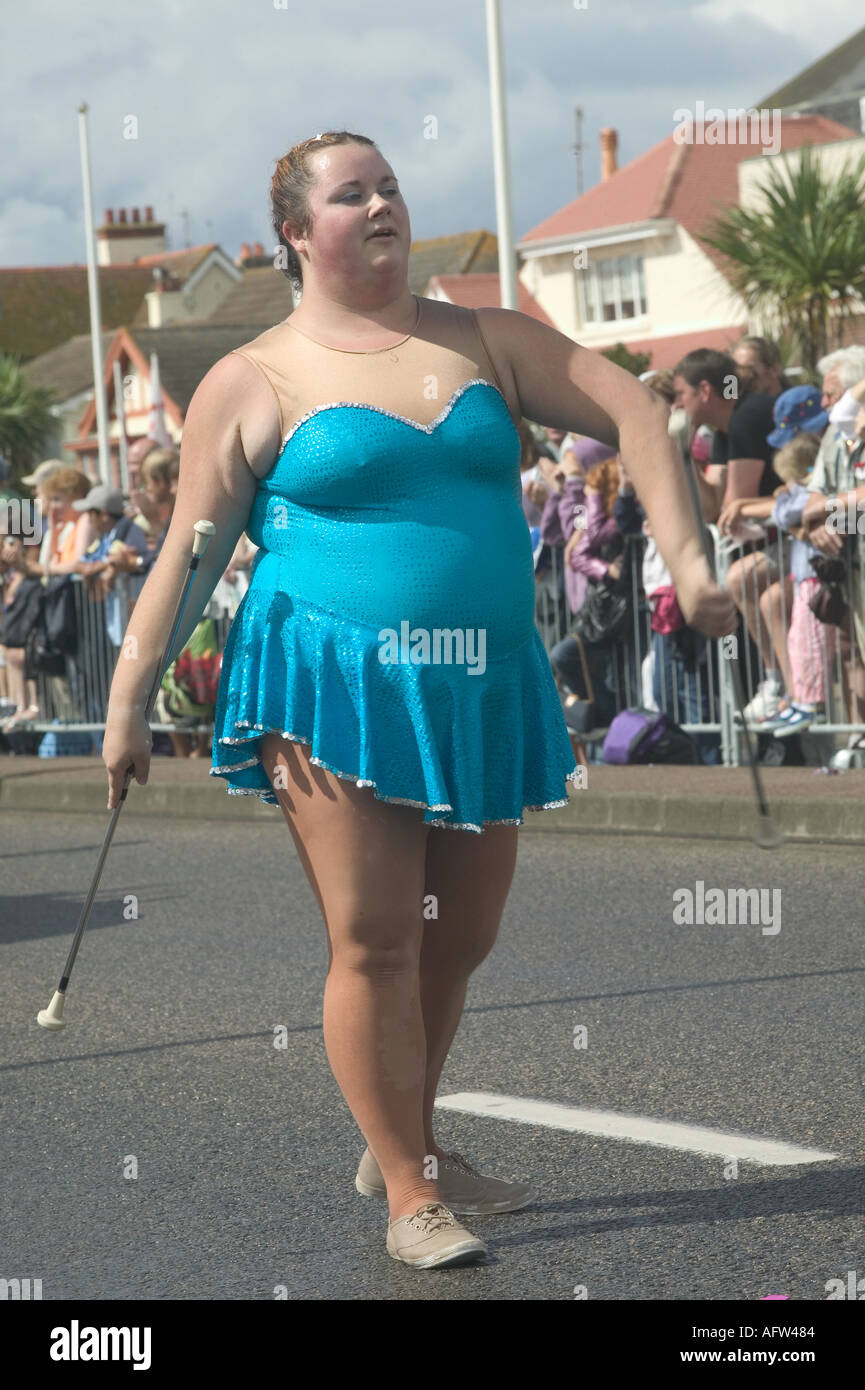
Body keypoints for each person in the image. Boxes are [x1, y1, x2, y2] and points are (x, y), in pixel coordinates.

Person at [101, 129, 736, 1270]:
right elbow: (191, 548)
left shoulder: (484, 338)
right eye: (353, 194)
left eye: (390, 185)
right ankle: (408, 1190)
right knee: (378, 935)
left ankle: (406, 1139)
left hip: (480, 678)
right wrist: (129, 689)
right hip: (328, 677)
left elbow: (638, 415)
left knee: (462, 934)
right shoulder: (254, 378)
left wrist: (689, 572)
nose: (383, 203)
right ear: (298, 233)